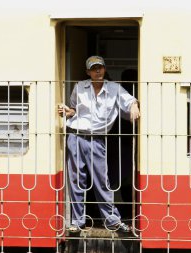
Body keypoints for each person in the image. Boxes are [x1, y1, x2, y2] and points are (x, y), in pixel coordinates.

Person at [58, 56, 140, 233]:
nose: (97, 71)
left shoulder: (114, 88)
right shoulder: (79, 87)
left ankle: (112, 220)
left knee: (102, 181)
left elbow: (129, 100)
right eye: (94, 68)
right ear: (88, 72)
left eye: (100, 67)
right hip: (76, 136)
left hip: (97, 139)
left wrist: (134, 105)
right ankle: (77, 222)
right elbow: (75, 110)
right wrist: (67, 111)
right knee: (76, 180)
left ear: (104, 69)